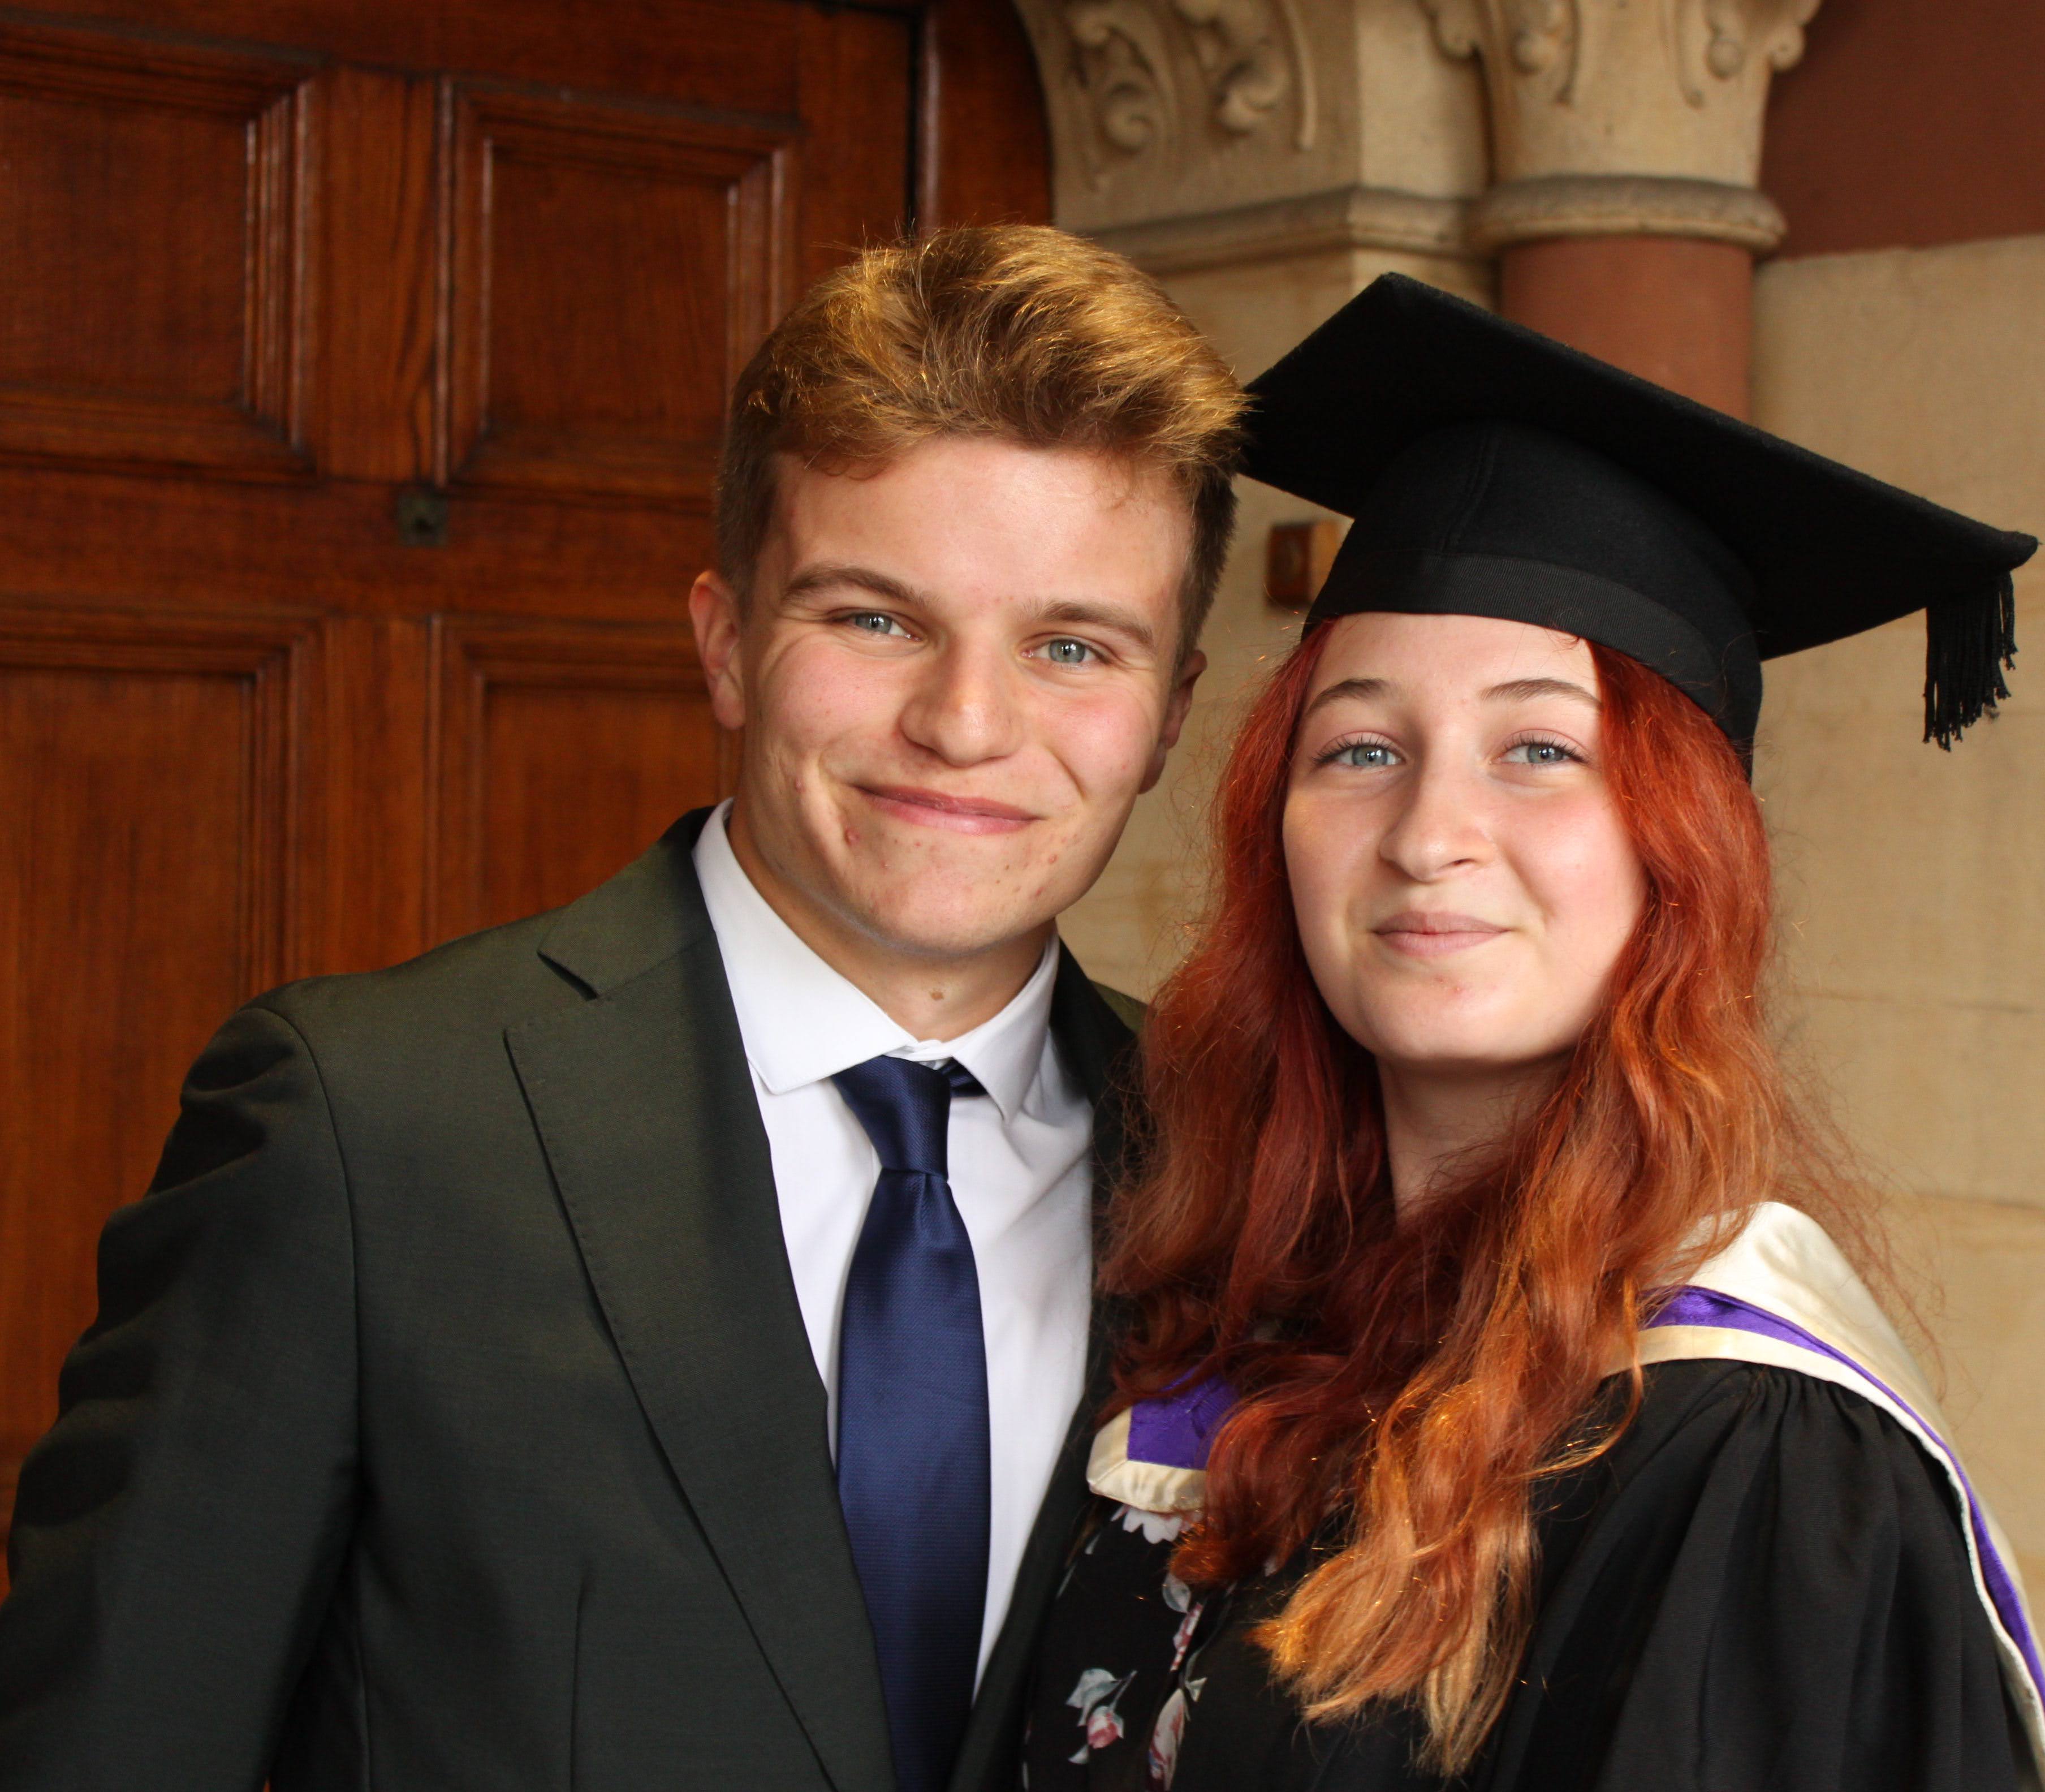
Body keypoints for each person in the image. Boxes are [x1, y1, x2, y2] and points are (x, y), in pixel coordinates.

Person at [0, 227, 1243, 1792]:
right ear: (727, 642)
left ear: (1170, 713)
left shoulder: (1238, 1164)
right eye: (874, 618)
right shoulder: (366, 1130)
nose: (965, 724)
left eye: (1073, 646)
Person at [1013, 276, 2045, 1792]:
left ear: (1680, 847)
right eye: (1363, 748)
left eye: (1539, 751)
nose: (1430, 833)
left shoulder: (1742, 1443)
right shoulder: (1233, 1311)